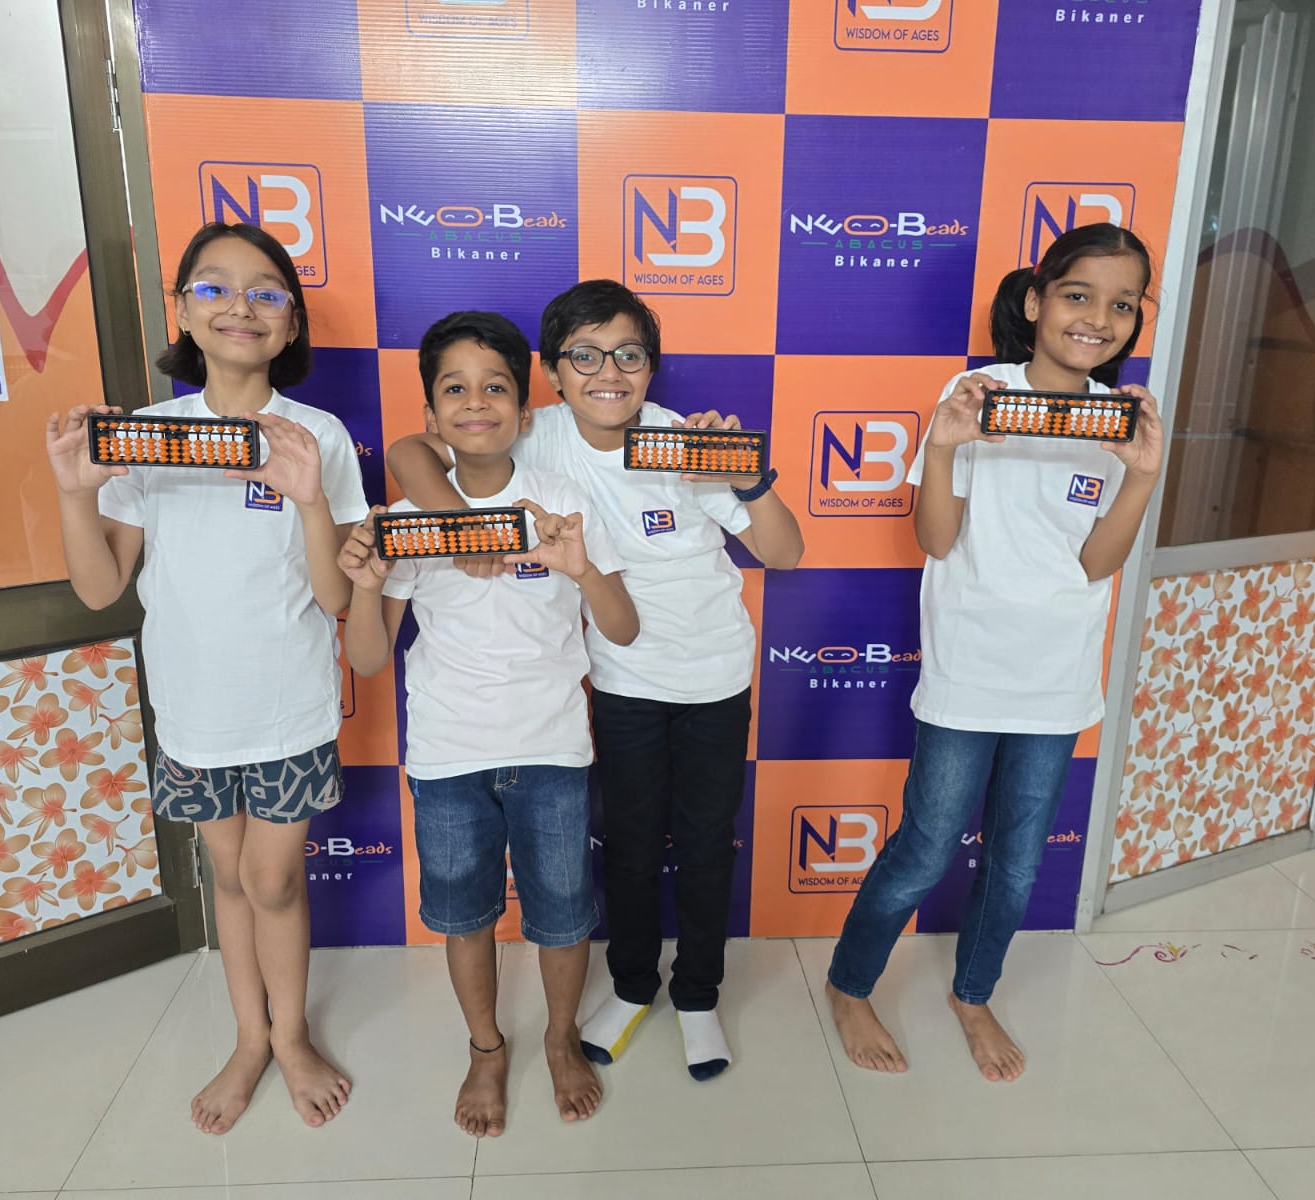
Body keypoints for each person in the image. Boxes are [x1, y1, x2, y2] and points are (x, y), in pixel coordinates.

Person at [387, 281, 804, 1082]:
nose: (606, 372)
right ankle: (634, 987)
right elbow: (412, 449)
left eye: (628, 355)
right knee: (631, 845)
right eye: (584, 355)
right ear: (551, 371)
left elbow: (783, 553)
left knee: (710, 843)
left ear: (650, 368)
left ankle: (700, 996)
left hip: (715, 670)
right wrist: (457, 528)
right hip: (619, 674)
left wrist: (747, 474)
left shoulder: (683, 440)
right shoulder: (533, 434)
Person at [45, 222, 366, 1133]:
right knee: (228, 879)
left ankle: (293, 1034)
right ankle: (250, 1039)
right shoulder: (147, 438)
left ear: (291, 324)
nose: (240, 306)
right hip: (191, 713)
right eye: (215, 288)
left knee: (273, 881)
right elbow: (103, 585)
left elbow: (336, 594)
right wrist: (75, 490)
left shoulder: (318, 437)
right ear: (182, 311)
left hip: (290, 710)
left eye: (266, 292)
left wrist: (307, 497)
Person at [826, 222, 1166, 1082]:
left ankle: (973, 994)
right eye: (1079, 294)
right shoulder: (977, 392)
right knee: (927, 847)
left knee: (1016, 862)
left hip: (1056, 679)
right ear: (1036, 301)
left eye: (1122, 304)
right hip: (969, 673)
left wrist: (1143, 478)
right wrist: (942, 448)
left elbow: (1097, 562)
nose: (1099, 317)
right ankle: (848, 983)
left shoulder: (1118, 420)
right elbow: (937, 540)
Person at [337, 310, 638, 1137]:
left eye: (496, 386)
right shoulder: (407, 515)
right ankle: (484, 1046)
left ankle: (559, 1038)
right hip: (447, 757)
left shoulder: (561, 502)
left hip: (551, 749)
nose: (477, 403)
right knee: (466, 917)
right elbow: (368, 660)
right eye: (456, 390)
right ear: (431, 417)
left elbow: (621, 627)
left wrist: (581, 570)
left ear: (525, 409)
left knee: (564, 916)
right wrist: (366, 585)